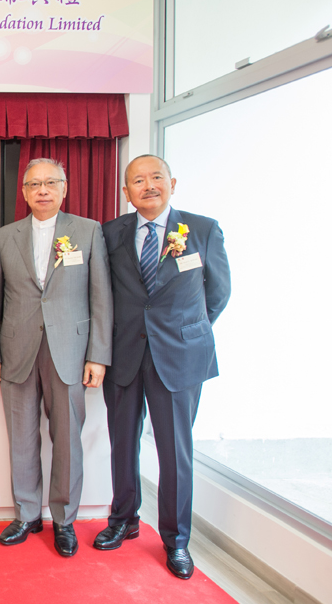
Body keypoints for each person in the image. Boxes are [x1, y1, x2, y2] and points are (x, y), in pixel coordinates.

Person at [95, 155, 230, 580]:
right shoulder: (110, 232)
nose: (148, 185)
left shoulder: (202, 229)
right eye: (138, 180)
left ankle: (176, 540)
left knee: (175, 452)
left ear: (171, 182)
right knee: (122, 443)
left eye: (155, 177)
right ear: (126, 191)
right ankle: (123, 520)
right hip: (125, 353)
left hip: (179, 356)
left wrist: (183, 331)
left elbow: (218, 295)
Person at [0, 158, 112, 557]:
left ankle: (65, 520)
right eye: (34, 184)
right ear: (23, 192)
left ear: (64, 188)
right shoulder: (5, 237)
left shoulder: (87, 231)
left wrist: (98, 355)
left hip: (69, 351)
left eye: (50, 183)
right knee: (21, 436)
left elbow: (101, 296)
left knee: (68, 438)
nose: (42, 190)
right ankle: (26, 514)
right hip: (17, 349)